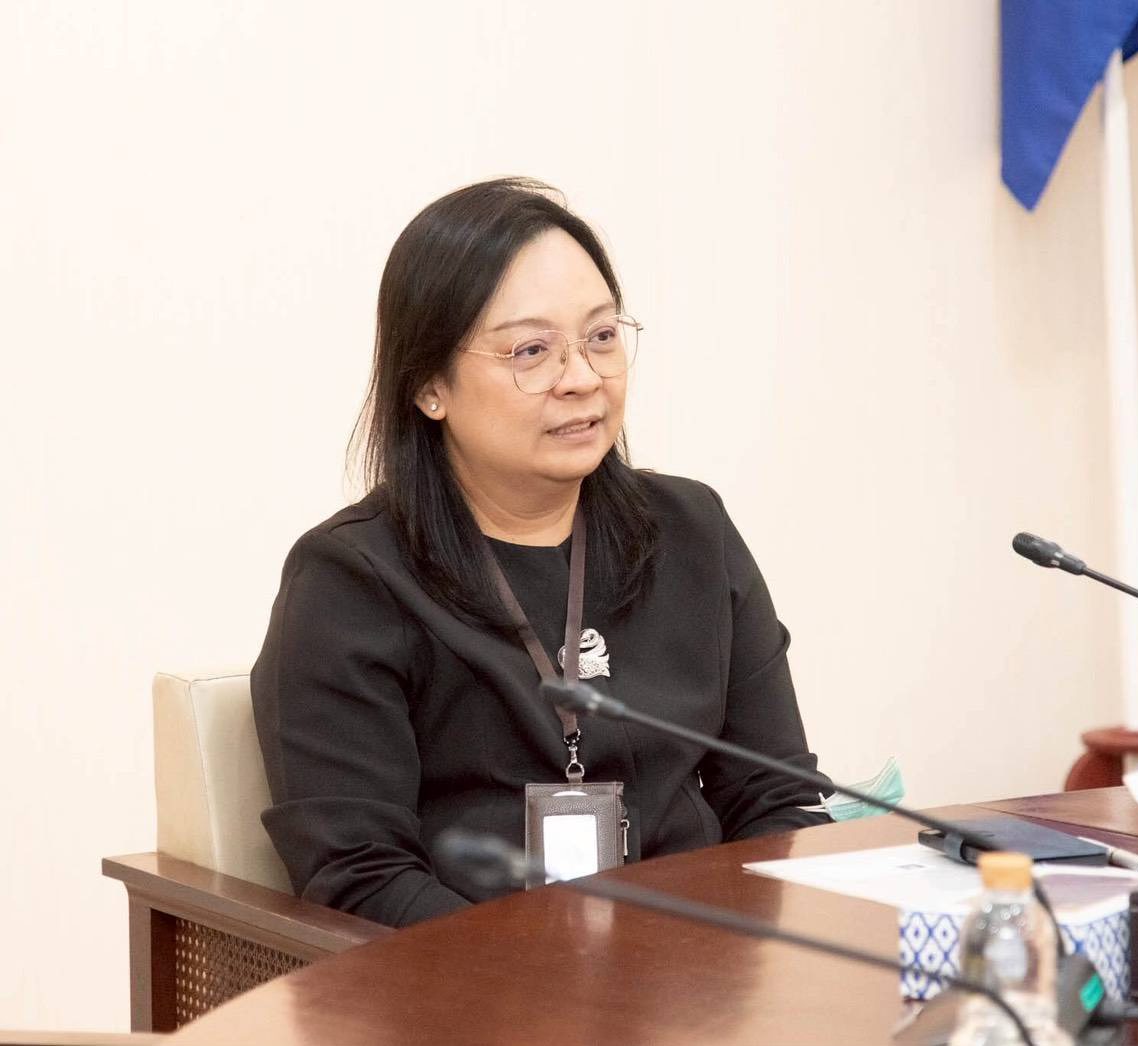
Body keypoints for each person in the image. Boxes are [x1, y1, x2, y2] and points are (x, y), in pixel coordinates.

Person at [252, 178, 828, 927]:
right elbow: (361, 877)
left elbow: (776, 798)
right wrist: (540, 981)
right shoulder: (351, 582)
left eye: (601, 336)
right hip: (475, 982)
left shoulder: (693, 530)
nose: (583, 379)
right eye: (532, 350)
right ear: (428, 385)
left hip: (698, 966)